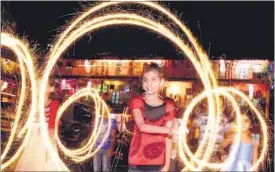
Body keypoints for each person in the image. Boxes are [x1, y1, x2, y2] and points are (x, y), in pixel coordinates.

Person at [128, 63, 180, 172]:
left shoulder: (169, 106)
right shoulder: (136, 102)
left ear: (161, 82)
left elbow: (168, 138)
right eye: (145, 80)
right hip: (137, 161)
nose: (149, 84)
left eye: (153, 79)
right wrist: (171, 130)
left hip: (158, 162)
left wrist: (167, 165)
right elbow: (142, 127)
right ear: (142, 83)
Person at [15, 85, 60, 171]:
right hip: (33, 134)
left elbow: (54, 124)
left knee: (42, 161)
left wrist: (51, 141)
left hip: (44, 135)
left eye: (46, 84)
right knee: (29, 159)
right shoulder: (34, 103)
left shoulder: (54, 104)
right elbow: (28, 119)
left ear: (51, 89)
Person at [93, 100, 117, 172]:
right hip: (96, 147)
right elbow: (93, 132)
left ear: (111, 109)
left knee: (105, 169)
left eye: (108, 108)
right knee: (96, 169)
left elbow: (113, 136)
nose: (106, 109)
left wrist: (111, 148)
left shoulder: (112, 120)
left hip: (107, 148)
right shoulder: (97, 118)